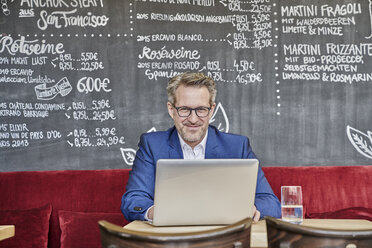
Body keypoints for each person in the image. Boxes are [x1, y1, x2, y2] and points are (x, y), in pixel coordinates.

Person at [121, 72, 281, 223]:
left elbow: (271, 203)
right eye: (184, 109)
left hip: (224, 239)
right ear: (171, 110)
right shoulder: (152, 145)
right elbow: (133, 200)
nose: (193, 119)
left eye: (201, 110)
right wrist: (156, 212)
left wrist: (252, 209)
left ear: (211, 110)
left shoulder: (237, 147)